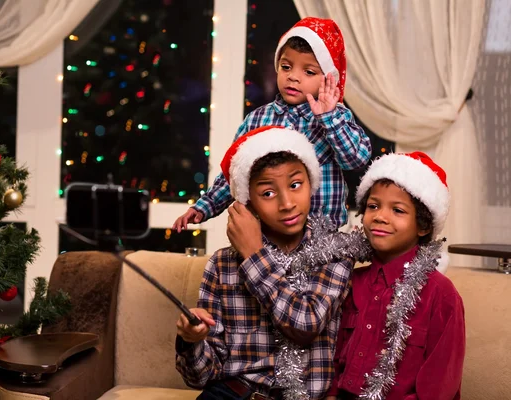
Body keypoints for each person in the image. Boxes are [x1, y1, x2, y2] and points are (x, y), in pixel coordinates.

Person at [175, 126, 361, 400]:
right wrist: (191, 341)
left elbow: (305, 325)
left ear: (311, 185)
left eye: (295, 185)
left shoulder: (334, 252)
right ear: (248, 203)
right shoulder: (222, 264)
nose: (287, 203)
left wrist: (253, 255)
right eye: (268, 193)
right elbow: (201, 377)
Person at [173, 17, 371, 232]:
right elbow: (233, 172)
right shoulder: (257, 120)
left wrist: (329, 119)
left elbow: (356, 160)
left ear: (328, 79)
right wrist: (204, 207)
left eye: (309, 72)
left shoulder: (337, 116)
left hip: (323, 240)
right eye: (286, 67)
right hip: (269, 239)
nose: (293, 77)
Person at [326, 152, 465, 400]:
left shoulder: (441, 295)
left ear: (423, 225)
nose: (380, 216)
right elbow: (333, 360)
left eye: (398, 210)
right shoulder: (350, 280)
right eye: (373, 206)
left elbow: (440, 385)